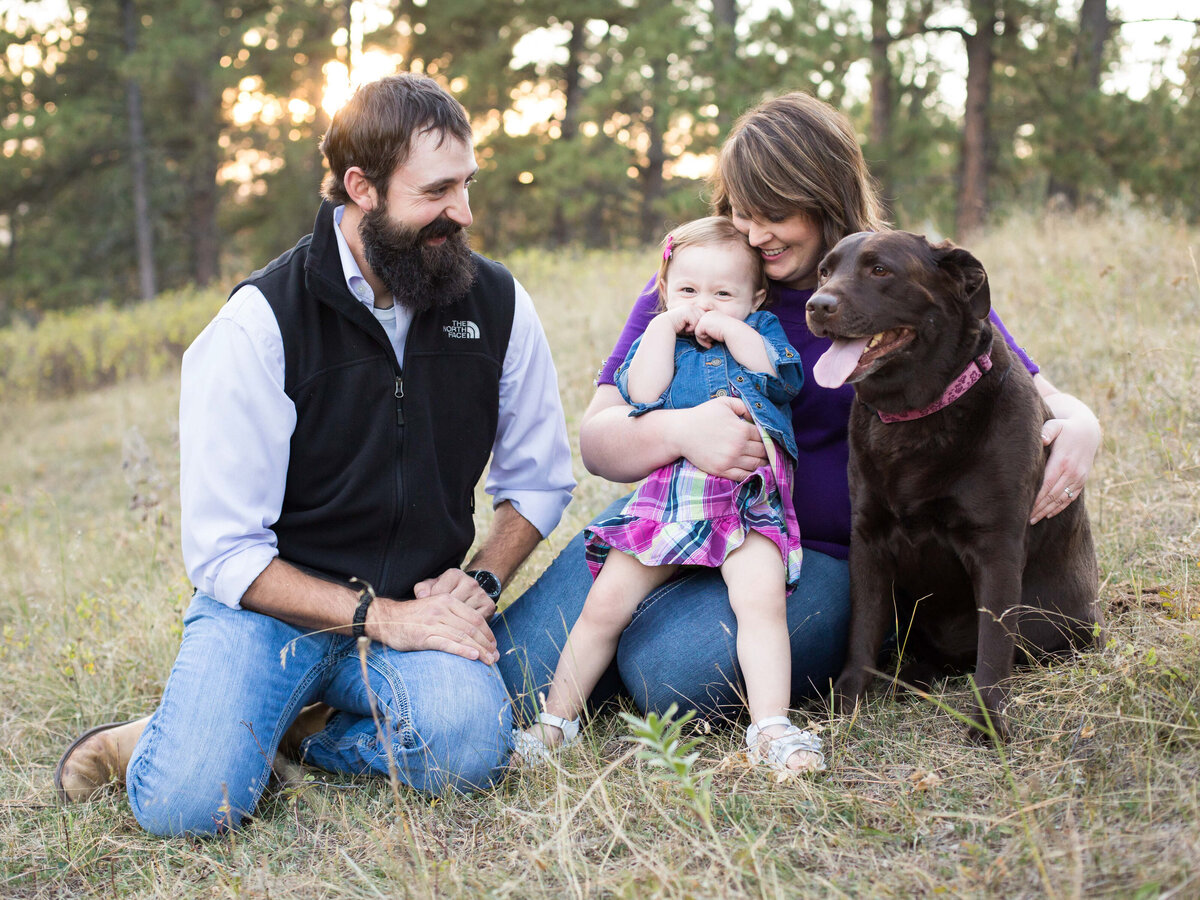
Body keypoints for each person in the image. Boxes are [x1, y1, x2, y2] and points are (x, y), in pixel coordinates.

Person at [53, 73, 575, 836]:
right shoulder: (259, 325)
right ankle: (151, 741)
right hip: (272, 614)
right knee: (191, 805)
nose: (463, 213)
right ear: (360, 188)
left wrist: (481, 579)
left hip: (419, 608)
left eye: (467, 184)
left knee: (471, 751)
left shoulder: (497, 303)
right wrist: (377, 617)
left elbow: (539, 478)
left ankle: (302, 732)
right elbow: (227, 554)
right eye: (436, 192)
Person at [495, 90, 1101, 730]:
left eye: (774, 213)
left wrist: (1080, 421)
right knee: (516, 668)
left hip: (813, 555)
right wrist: (681, 430)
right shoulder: (705, 276)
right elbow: (598, 439)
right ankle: (595, 660)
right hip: (677, 509)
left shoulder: (895, 279)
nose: (754, 234)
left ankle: (623, 661)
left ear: (825, 196)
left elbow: (1019, 376)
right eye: (739, 210)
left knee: (670, 676)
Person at [513, 217, 822, 771]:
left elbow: (781, 377)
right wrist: (661, 328)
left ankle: (772, 726)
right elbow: (642, 392)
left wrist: (734, 329)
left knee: (762, 604)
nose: (703, 304)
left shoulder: (761, 331)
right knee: (604, 604)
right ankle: (555, 723)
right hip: (669, 502)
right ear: (665, 292)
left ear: (755, 297)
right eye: (687, 291)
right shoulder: (662, 338)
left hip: (747, 502)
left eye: (723, 293)